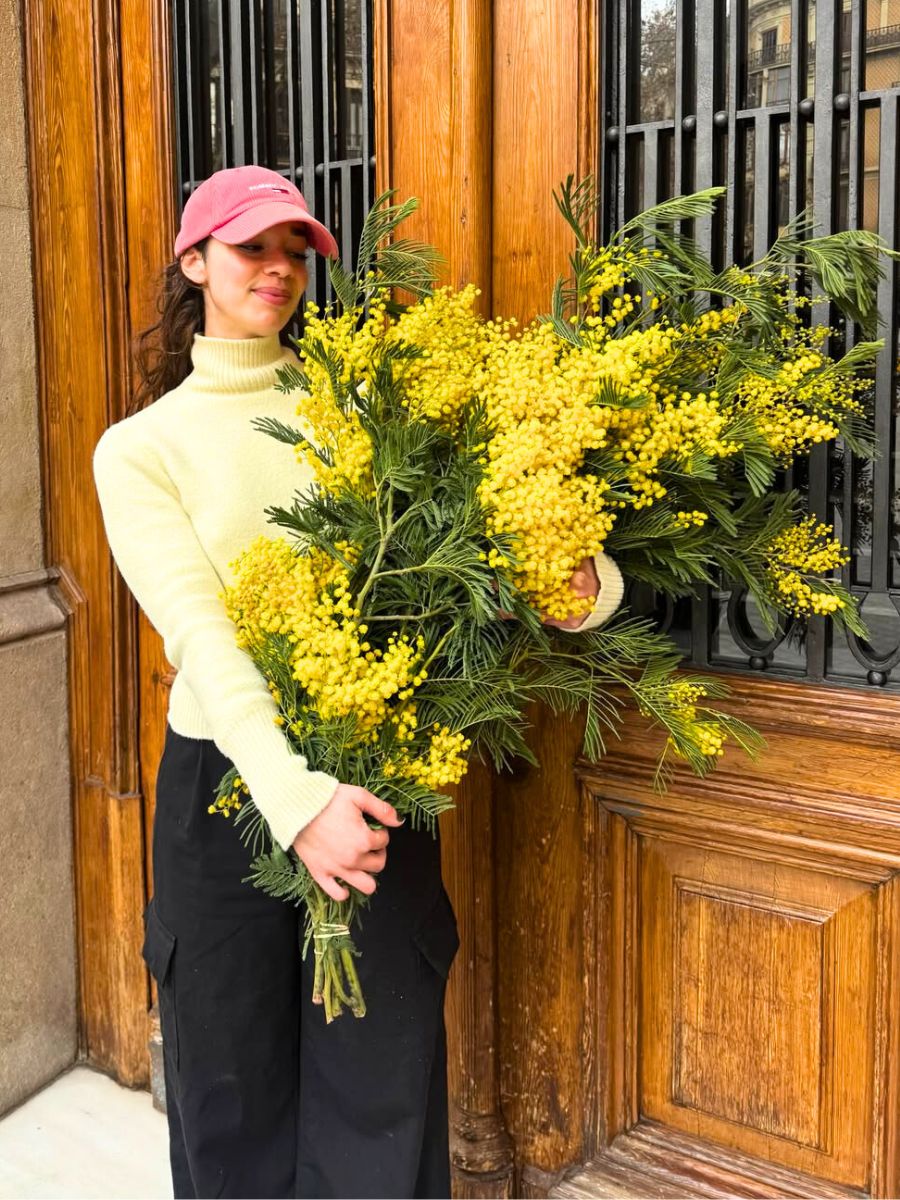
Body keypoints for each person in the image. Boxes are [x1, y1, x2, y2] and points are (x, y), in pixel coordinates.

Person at [92, 164, 623, 1200]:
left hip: (377, 762)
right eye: (252, 247)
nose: (278, 268)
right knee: (230, 1077)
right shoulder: (142, 450)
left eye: (295, 251)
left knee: (379, 1083)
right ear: (193, 262)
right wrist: (297, 804)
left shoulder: (361, 404)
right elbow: (204, 636)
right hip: (229, 782)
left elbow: (484, 531)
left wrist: (580, 586)